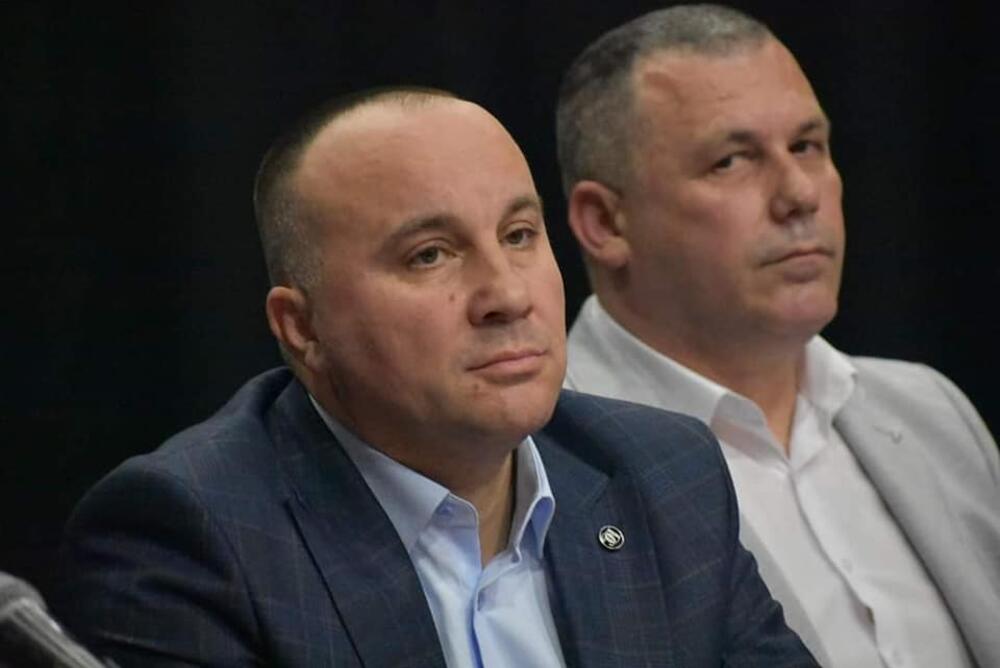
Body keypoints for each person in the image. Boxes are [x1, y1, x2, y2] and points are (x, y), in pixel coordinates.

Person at [58, 87, 816, 666]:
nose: (507, 295)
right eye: (430, 255)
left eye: (519, 235)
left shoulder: (662, 475)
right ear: (303, 328)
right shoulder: (193, 539)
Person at [557, 5, 1000, 668]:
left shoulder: (929, 411)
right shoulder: (537, 465)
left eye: (807, 146)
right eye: (732, 161)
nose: (799, 194)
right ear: (605, 223)